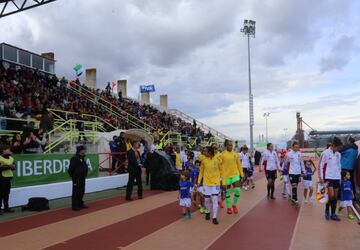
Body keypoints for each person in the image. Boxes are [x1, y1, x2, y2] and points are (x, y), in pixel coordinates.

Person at [197, 146, 223, 225]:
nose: (203, 152)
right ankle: (208, 212)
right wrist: (198, 181)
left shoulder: (218, 159)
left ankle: (214, 217)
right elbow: (201, 171)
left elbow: (221, 170)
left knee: (215, 199)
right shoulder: (203, 160)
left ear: (210, 152)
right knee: (207, 200)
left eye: (205, 151)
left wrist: (222, 180)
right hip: (206, 183)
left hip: (216, 183)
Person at [319, 137, 343, 221]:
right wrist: (321, 177)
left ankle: (333, 214)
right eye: (338, 147)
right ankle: (326, 211)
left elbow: (339, 166)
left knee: (335, 197)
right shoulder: (325, 153)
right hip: (328, 177)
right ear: (333, 145)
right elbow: (321, 166)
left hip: (336, 177)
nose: (339, 149)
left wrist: (340, 178)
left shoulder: (338, 154)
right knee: (331, 195)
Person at [219, 140, 244, 215]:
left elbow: (239, 165)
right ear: (226, 146)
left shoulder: (236, 154)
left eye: (231, 145)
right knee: (228, 192)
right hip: (226, 176)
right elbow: (220, 166)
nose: (230, 146)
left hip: (235, 174)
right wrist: (222, 178)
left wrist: (241, 175)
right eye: (229, 145)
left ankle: (234, 205)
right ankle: (229, 207)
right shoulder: (222, 154)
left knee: (237, 190)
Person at [284, 142, 306, 206]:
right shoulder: (288, 154)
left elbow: (302, 163)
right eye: (296, 147)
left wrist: (304, 171)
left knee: (295, 186)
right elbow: (285, 163)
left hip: (298, 173)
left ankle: (293, 199)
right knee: (294, 186)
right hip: (291, 172)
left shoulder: (300, 154)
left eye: (298, 147)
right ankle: (296, 200)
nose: (297, 148)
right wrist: (284, 169)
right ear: (292, 147)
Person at [68, 145, 89, 211]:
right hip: (77, 178)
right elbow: (70, 169)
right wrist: (74, 176)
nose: (85, 151)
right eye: (84, 149)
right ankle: (75, 206)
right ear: (80, 150)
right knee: (76, 192)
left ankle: (80, 203)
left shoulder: (82, 158)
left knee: (82, 191)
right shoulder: (74, 158)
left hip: (82, 178)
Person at [0, 146, 16, 214]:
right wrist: (8, 166)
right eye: (7, 150)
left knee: (7, 194)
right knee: (0, 194)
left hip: (9, 177)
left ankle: (6, 208)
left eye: (9, 150)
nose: (9, 151)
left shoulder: (11, 158)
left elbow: (14, 167)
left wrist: (13, 166)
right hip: (1, 178)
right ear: (3, 151)